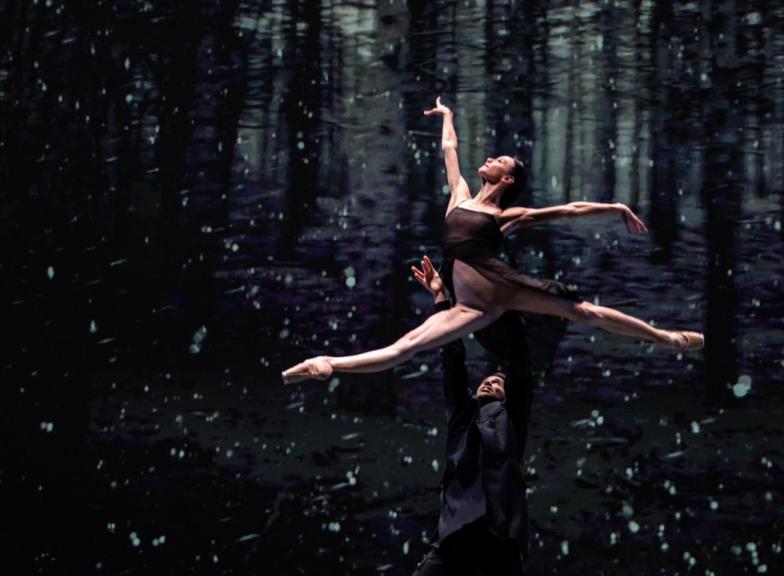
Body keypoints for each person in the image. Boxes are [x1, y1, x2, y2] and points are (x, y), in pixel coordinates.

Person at [280, 98, 702, 385]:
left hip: (502, 286)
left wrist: (614, 206)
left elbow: (568, 210)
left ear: (508, 178)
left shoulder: (504, 216)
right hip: (471, 307)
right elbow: (450, 149)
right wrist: (446, 115)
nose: (489, 158)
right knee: (405, 346)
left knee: (586, 312)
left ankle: (667, 339)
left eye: (498, 160)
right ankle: (328, 365)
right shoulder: (459, 195)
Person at [410, 256, 531, 576]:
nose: (492, 380)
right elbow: (452, 358)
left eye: (499, 381)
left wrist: (505, 300)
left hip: (500, 535)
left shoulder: (513, 419)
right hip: (456, 534)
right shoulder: (463, 418)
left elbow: (519, 367)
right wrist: (441, 300)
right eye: (487, 380)